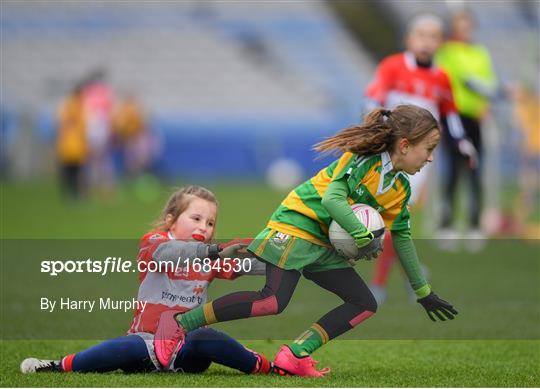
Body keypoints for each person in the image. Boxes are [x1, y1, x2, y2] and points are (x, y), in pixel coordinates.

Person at [154, 105, 458, 377]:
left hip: (324, 242)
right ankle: (179, 322)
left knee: (363, 303)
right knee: (272, 301)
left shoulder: (400, 188)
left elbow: (402, 236)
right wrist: (362, 235)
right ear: (405, 145)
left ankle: (295, 354)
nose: (431, 157)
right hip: (298, 223)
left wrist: (423, 291)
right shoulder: (363, 161)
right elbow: (332, 199)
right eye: (429, 148)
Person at [20, 186, 271, 375]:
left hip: (187, 351)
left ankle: (267, 367)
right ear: (171, 219)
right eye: (196, 219)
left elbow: (250, 266)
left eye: (210, 223)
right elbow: (168, 254)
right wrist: (213, 251)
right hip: (146, 344)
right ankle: (59, 365)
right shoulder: (154, 242)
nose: (204, 227)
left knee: (204, 338)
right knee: (128, 347)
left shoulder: (212, 255)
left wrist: (287, 261)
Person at [363, 13, 478, 304]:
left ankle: (392, 281)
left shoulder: (441, 77)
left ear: (440, 42)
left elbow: (450, 114)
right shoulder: (392, 67)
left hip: (419, 159)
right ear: (409, 39)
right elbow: (373, 99)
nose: (427, 41)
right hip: (389, 152)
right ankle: (393, 281)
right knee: (391, 219)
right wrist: (373, 130)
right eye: (421, 35)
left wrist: (463, 142)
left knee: (396, 219)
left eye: (433, 36)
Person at [435, 9, 497, 250]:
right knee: (452, 171)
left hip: (475, 118)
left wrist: (486, 101)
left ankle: (474, 226)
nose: (464, 28)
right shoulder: (447, 52)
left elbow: (488, 81)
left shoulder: (480, 53)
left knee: (475, 171)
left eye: (467, 24)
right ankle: (446, 226)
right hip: (453, 117)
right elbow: (451, 80)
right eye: (460, 24)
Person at [56, 82, 88, 200]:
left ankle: (69, 195)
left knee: (68, 171)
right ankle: (74, 195)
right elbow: (81, 126)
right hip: (74, 145)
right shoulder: (77, 106)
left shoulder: (67, 105)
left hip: (67, 144)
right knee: (74, 172)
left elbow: (60, 123)